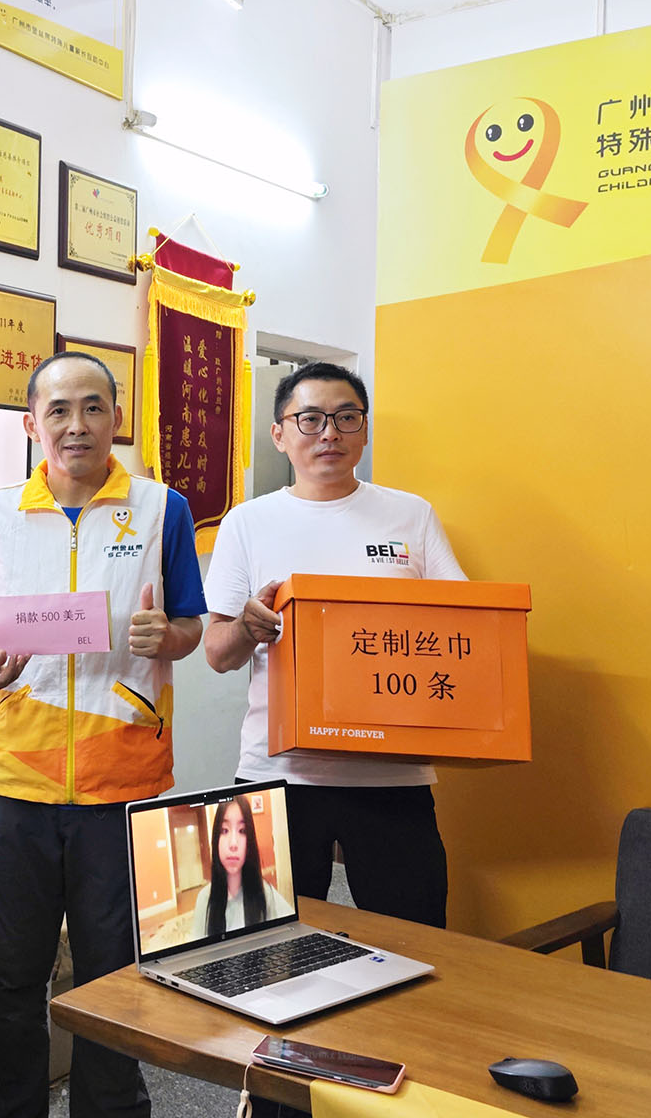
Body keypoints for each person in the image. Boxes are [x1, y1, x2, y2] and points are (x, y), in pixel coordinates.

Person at [0, 351, 207, 1118]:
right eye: (59, 409)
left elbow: (191, 626)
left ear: (117, 419)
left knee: (115, 977)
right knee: (15, 975)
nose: (77, 424)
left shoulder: (163, 509)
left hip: (124, 783)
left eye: (94, 407)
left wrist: (169, 637)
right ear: (31, 423)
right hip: (19, 783)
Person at [203, 362, 465, 928]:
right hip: (277, 771)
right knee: (261, 941)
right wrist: (247, 627)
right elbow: (217, 653)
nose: (329, 433)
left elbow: (463, 627)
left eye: (347, 418)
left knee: (415, 938)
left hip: (392, 775)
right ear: (279, 434)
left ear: (364, 431)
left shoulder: (411, 515)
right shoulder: (247, 523)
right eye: (311, 419)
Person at [189, 795, 295, 939]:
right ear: (216, 839)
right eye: (224, 830)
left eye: (242, 831)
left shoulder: (265, 893)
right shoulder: (204, 899)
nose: (233, 844)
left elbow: (293, 930)